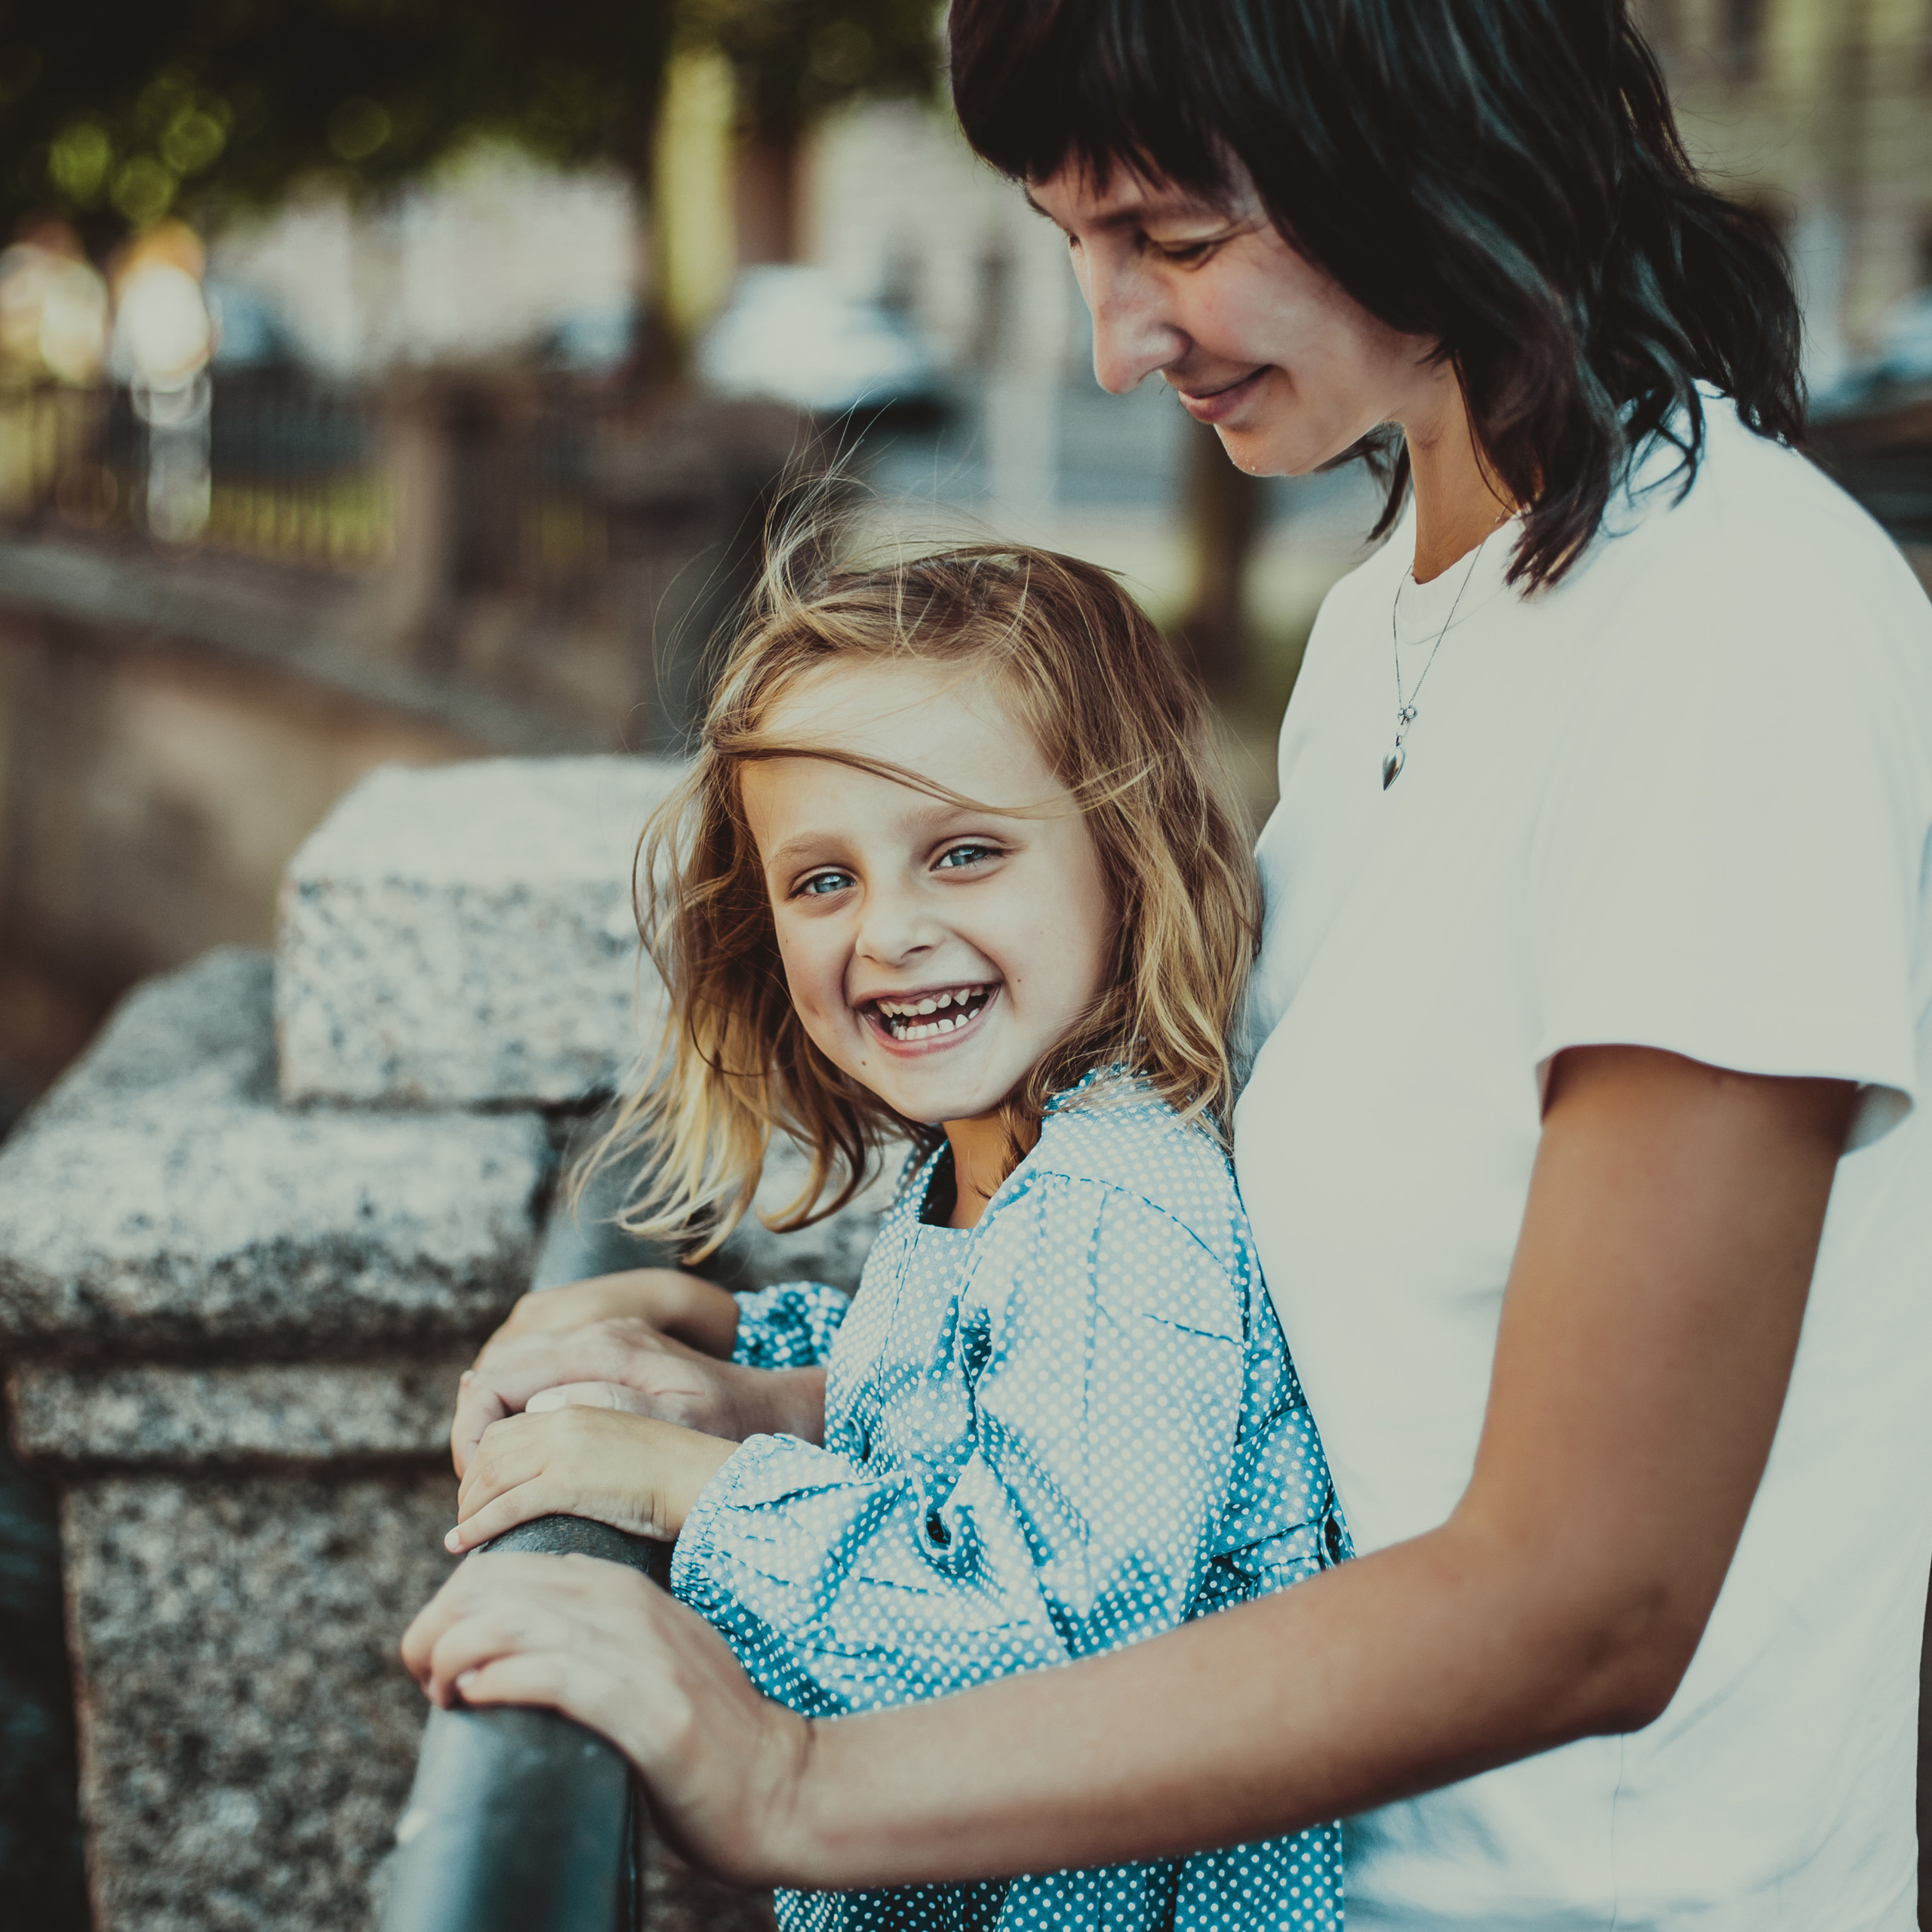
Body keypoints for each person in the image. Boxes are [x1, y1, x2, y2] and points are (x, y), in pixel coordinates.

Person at [404, 2, 1932, 1924]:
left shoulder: (1733, 644)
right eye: (1075, 246)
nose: (1119, 343)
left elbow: (1590, 1592)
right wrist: (785, 1402)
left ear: (1417, 135)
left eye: (1174, 241)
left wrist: (799, 1778)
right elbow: (1309, 1365)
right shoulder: (1401, 613)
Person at [435, 532, 1351, 1930]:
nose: (891, 932)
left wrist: (686, 1484)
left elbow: (1040, 1629)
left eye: (964, 853)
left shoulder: (1116, 1203)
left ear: (1125, 853)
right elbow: (971, 1395)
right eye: (824, 881)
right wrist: (743, 1359)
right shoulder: (1011, 1166)